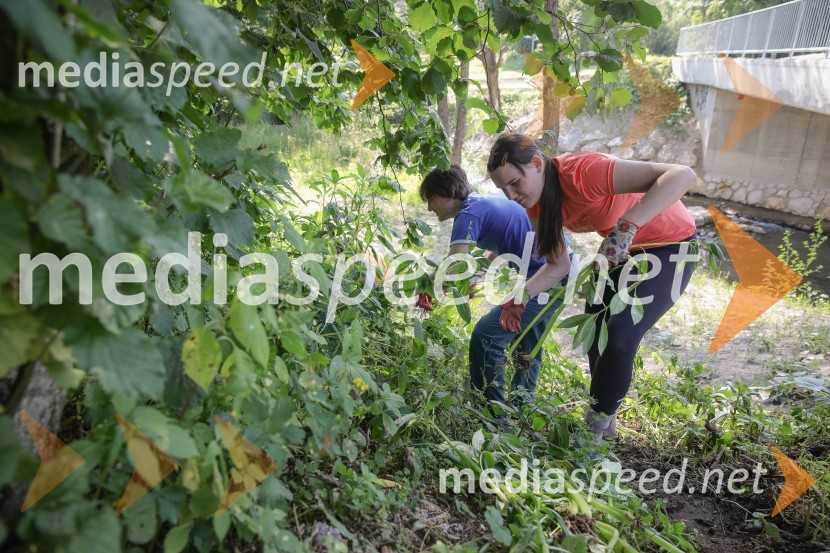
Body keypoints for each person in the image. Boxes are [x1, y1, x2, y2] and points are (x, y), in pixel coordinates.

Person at [486, 133, 698, 443]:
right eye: (503, 189)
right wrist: (521, 296)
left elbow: (682, 174)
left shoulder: (584, 172)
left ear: (535, 164)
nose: (511, 195)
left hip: (671, 247)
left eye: (515, 183)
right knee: (596, 338)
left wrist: (627, 225)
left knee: (620, 336)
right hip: (618, 252)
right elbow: (559, 266)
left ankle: (592, 436)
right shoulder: (536, 204)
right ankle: (605, 425)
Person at [420, 165, 570, 421]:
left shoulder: (468, 213)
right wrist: (477, 273)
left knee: (486, 335)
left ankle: (491, 415)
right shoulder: (480, 204)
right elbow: (504, 240)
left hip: (550, 276)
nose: (429, 208)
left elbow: (455, 263)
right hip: (559, 273)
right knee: (527, 348)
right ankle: (521, 412)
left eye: (430, 199)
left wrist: (426, 287)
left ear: (447, 193)